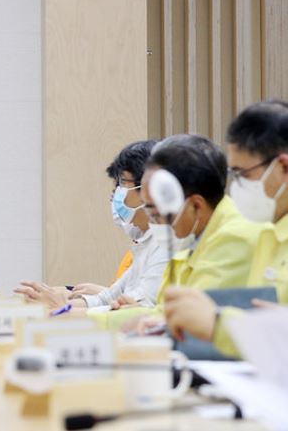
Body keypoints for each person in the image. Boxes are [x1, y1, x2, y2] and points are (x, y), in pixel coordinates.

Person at [164, 100, 288, 356]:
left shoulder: (242, 233)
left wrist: (218, 322)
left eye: (243, 174)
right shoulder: (268, 233)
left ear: (283, 167)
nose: (236, 186)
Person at [112, 134, 264, 331]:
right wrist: (143, 314)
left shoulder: (233, 238)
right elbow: (166, 313)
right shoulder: (191, 236)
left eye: (156, 213)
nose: (153, 222)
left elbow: (192, 320)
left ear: (195, 206)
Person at [16, 140, 168, 311]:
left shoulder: (165, 246)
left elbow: (136, 310)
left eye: (124, 183)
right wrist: (57, 304)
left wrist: (63, 309)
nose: (117, 195)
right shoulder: (146, 244)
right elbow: (108, 297)